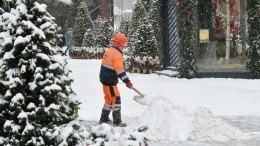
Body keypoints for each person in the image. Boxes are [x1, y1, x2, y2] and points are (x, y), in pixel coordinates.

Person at [99, 32, 133, 127]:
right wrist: (127, 81)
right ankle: (117, 121)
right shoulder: (117, 55)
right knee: (116, 99)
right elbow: (120, 71)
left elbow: (112, 67)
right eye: (122, 45)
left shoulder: (109, 51)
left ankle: (104, 118)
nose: (123, 47)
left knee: (109, 99)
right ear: (118, 44)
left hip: (105, 80)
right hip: (110, 81)